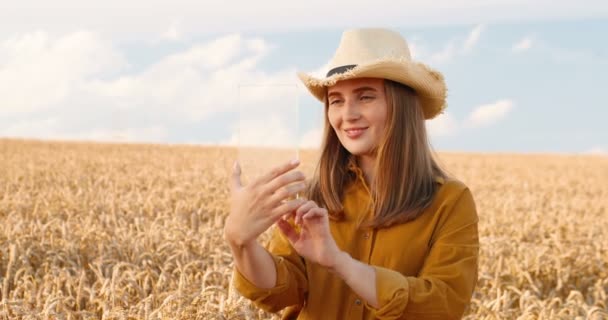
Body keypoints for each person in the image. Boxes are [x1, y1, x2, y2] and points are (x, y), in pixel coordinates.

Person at [224, 28, 479, 319]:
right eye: (336, 100)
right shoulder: (312, 195)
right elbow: (282, 292)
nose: (348, 115)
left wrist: (339, 263)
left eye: (366, 97)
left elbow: (444, 305)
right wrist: (241, 242)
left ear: (401, 106)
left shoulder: (450, 201)